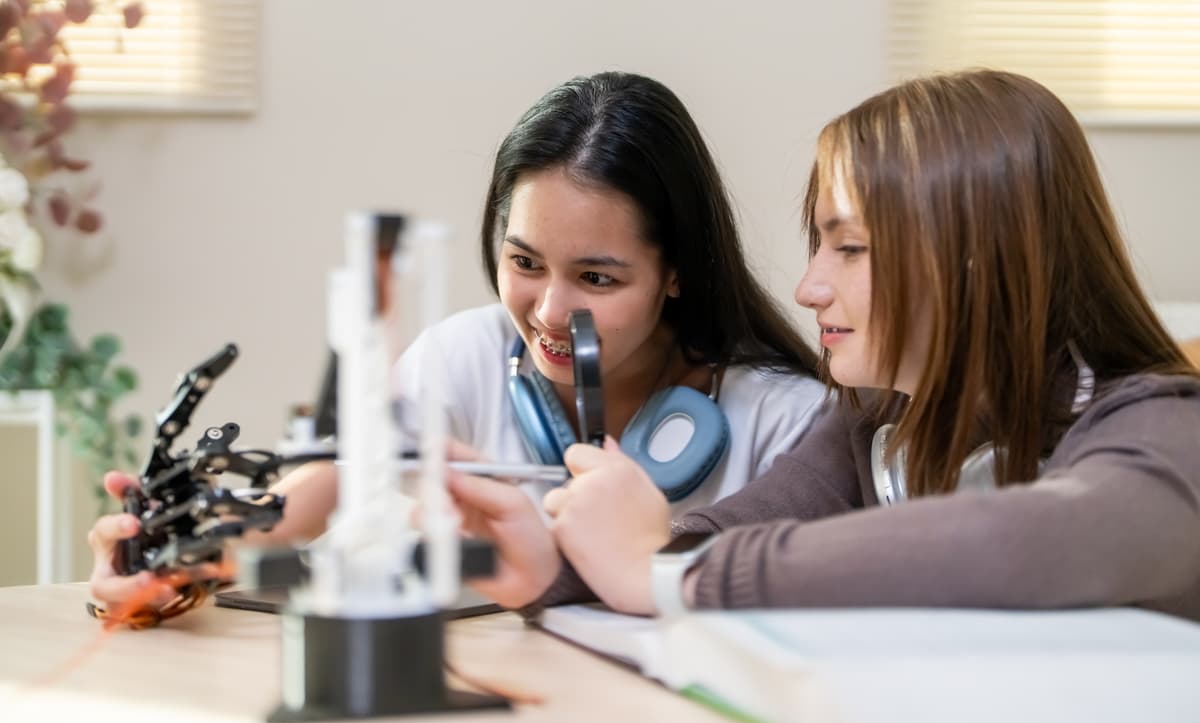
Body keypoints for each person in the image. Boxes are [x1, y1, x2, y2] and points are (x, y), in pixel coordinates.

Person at [448, 69, 1200, 622]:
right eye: (818, 246)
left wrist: (662, 577)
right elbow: (721, 533)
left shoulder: (1163, 431)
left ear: (972, 260)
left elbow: (1023, 543)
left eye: (851, 248)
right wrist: (556, 563)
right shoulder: (872, 423)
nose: (809, 288)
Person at [86, 71, 827, 610]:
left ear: (676, 273)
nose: (548, 312)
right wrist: (168, 559)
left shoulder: (787, 421)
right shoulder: (462, 357)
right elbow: (299, 506)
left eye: (597, 280)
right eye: (525, 263)